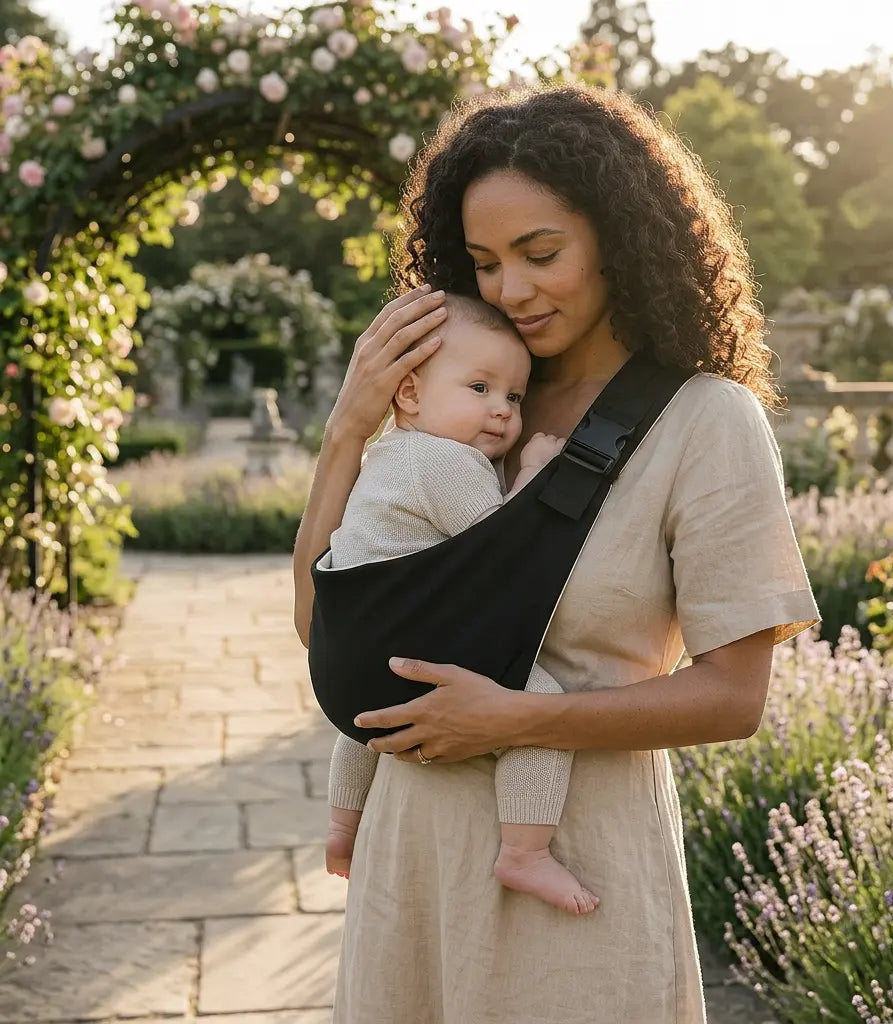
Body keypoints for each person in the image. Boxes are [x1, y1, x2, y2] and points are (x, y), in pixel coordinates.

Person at [292, 83, 820, 1024]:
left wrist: (513, 722)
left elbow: (734, 697)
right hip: (408, 866)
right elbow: (322, 622)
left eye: (542, 254)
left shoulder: (704, 421)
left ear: (620, 236)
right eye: (486, 262)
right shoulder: (473, 406)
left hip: (575, 868)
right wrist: (347, 431)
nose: (511, 290)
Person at [320, 293, 599, 915]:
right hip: (424, 641)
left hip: (354, 657)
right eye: (480, 388)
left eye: (515, 397)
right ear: (411, 395)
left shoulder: (386, 455)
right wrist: (534, 474)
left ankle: (342, 829)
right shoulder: (447, 460)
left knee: (365, 725)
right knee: (542, 705)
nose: (501, 411)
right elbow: (500, 546)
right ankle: (524, 851)